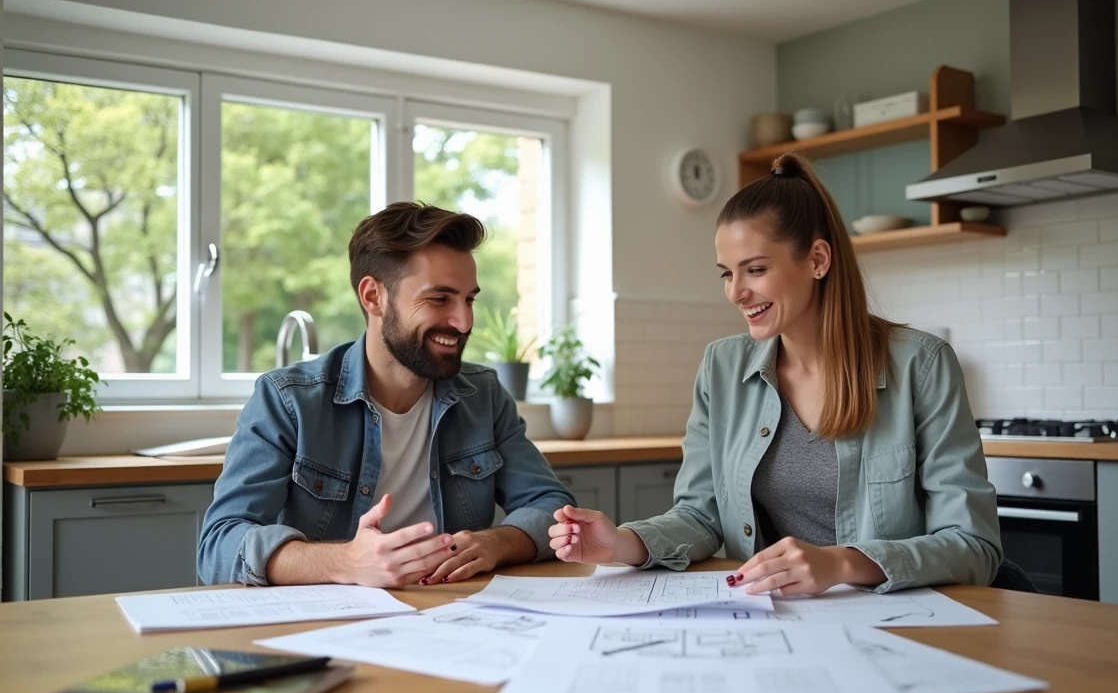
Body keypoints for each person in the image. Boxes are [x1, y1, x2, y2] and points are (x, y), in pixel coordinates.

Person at [549, 152, 1001, 595]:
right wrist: (623, 544)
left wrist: (843, 563)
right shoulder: (722, 368)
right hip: (771, 618)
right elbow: (700, 516)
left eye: (756, 270)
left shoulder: (922, 365)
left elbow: (973, 545)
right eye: (726, 274)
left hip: (893, 622)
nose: (735, 292)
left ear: (818, 260)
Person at [198, 202, 573, 587]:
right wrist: (346, 562)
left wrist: (497, 542)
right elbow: (219, 546)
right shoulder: (287, 400)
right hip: (333, 617)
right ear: (373, 297)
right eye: (440, 299)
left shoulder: (484, 395)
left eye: (469, 299)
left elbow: (554, 508)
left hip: (454, 609)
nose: (464, 322)